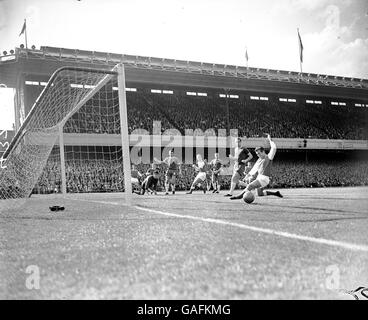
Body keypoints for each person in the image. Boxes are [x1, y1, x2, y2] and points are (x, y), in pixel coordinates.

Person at [230, 134, 283, 200]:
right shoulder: (259, 159)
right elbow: (254, 168)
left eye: (259, 153)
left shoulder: (269, 156)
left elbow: (274, 148)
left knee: (250, 186)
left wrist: (270, 140)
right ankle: (275, 193)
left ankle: (238, 197)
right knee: (259, 194)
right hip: (260, 177)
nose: (258, 155)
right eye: (257, 154)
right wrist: (248, 175)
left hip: (264, 178)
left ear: (263, 151)